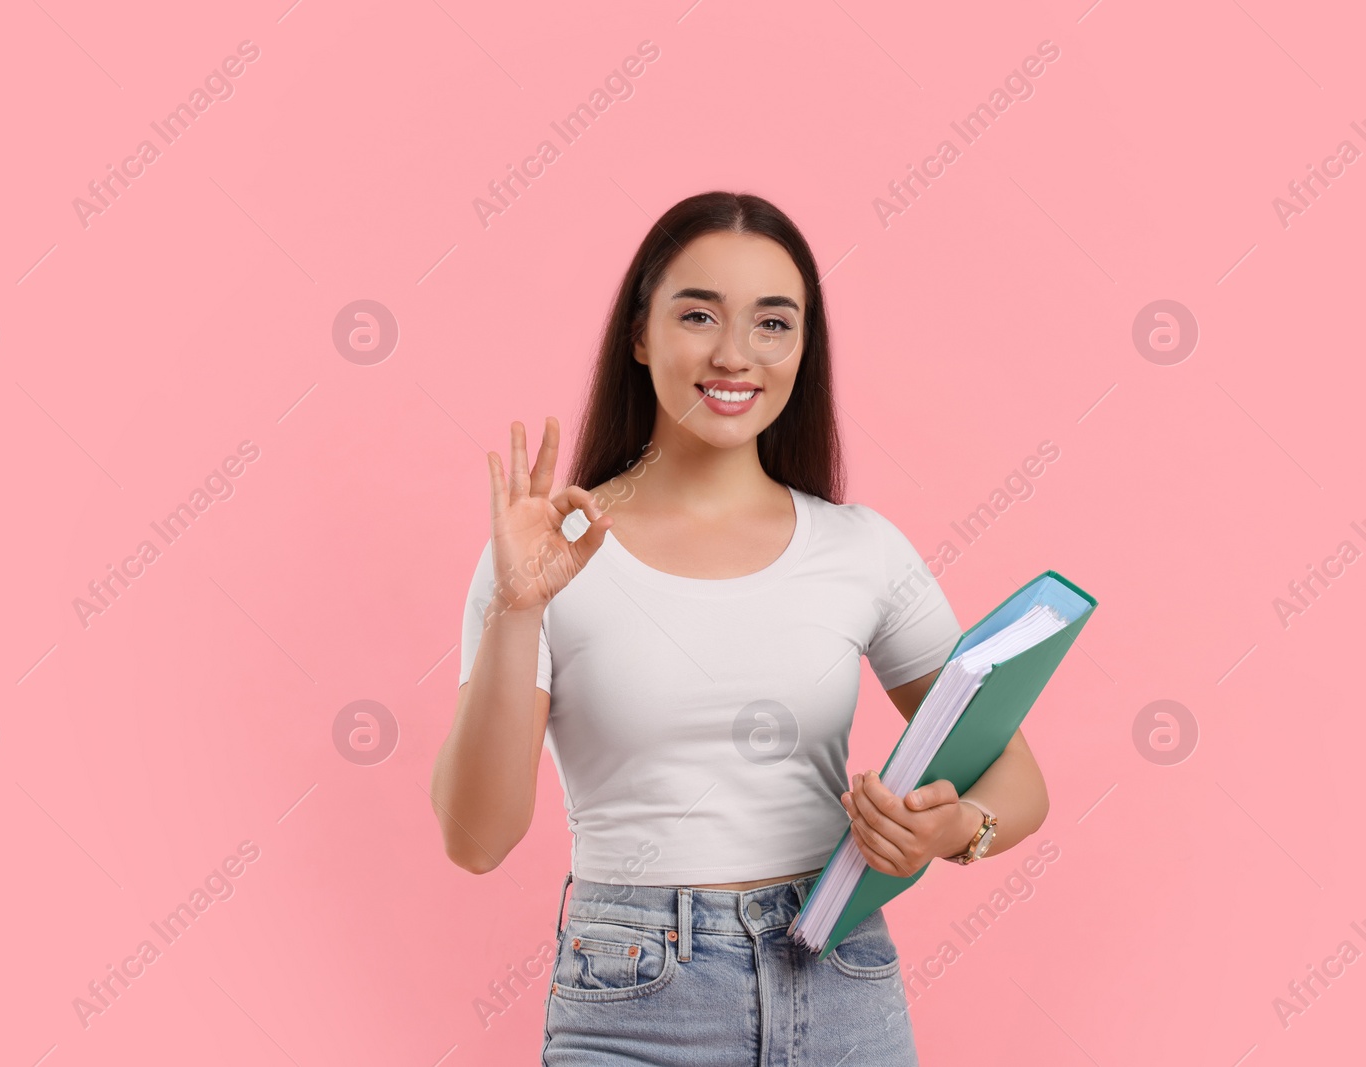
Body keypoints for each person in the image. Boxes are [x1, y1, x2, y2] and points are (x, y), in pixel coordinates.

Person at [429, 190, 1050, 1065]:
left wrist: (952, 829)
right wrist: (516, 607)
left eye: (772, 323)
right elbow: (476, 838)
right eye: (697, 315)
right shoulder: (545, 554)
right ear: (639, 336)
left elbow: (1016, 774)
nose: (734, 354)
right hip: (634, 996)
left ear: (803, 347)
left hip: (840, 978)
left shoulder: (860, 549)